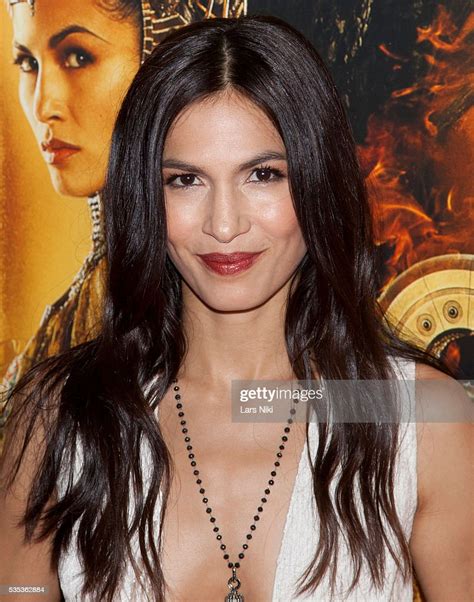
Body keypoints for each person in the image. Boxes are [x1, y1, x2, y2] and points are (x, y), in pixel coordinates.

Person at [1, 15, 472, 602]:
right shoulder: (60, 418)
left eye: (263, 174)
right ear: (146, 194)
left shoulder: (419, 419)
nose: (225, 225)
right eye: (186, 181)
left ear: (318, 182)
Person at [0, 0, 246, 454]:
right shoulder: (74, 317)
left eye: (78, 57)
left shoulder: (230, 266)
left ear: (159, 55)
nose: (43, 105)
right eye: (28, 63)